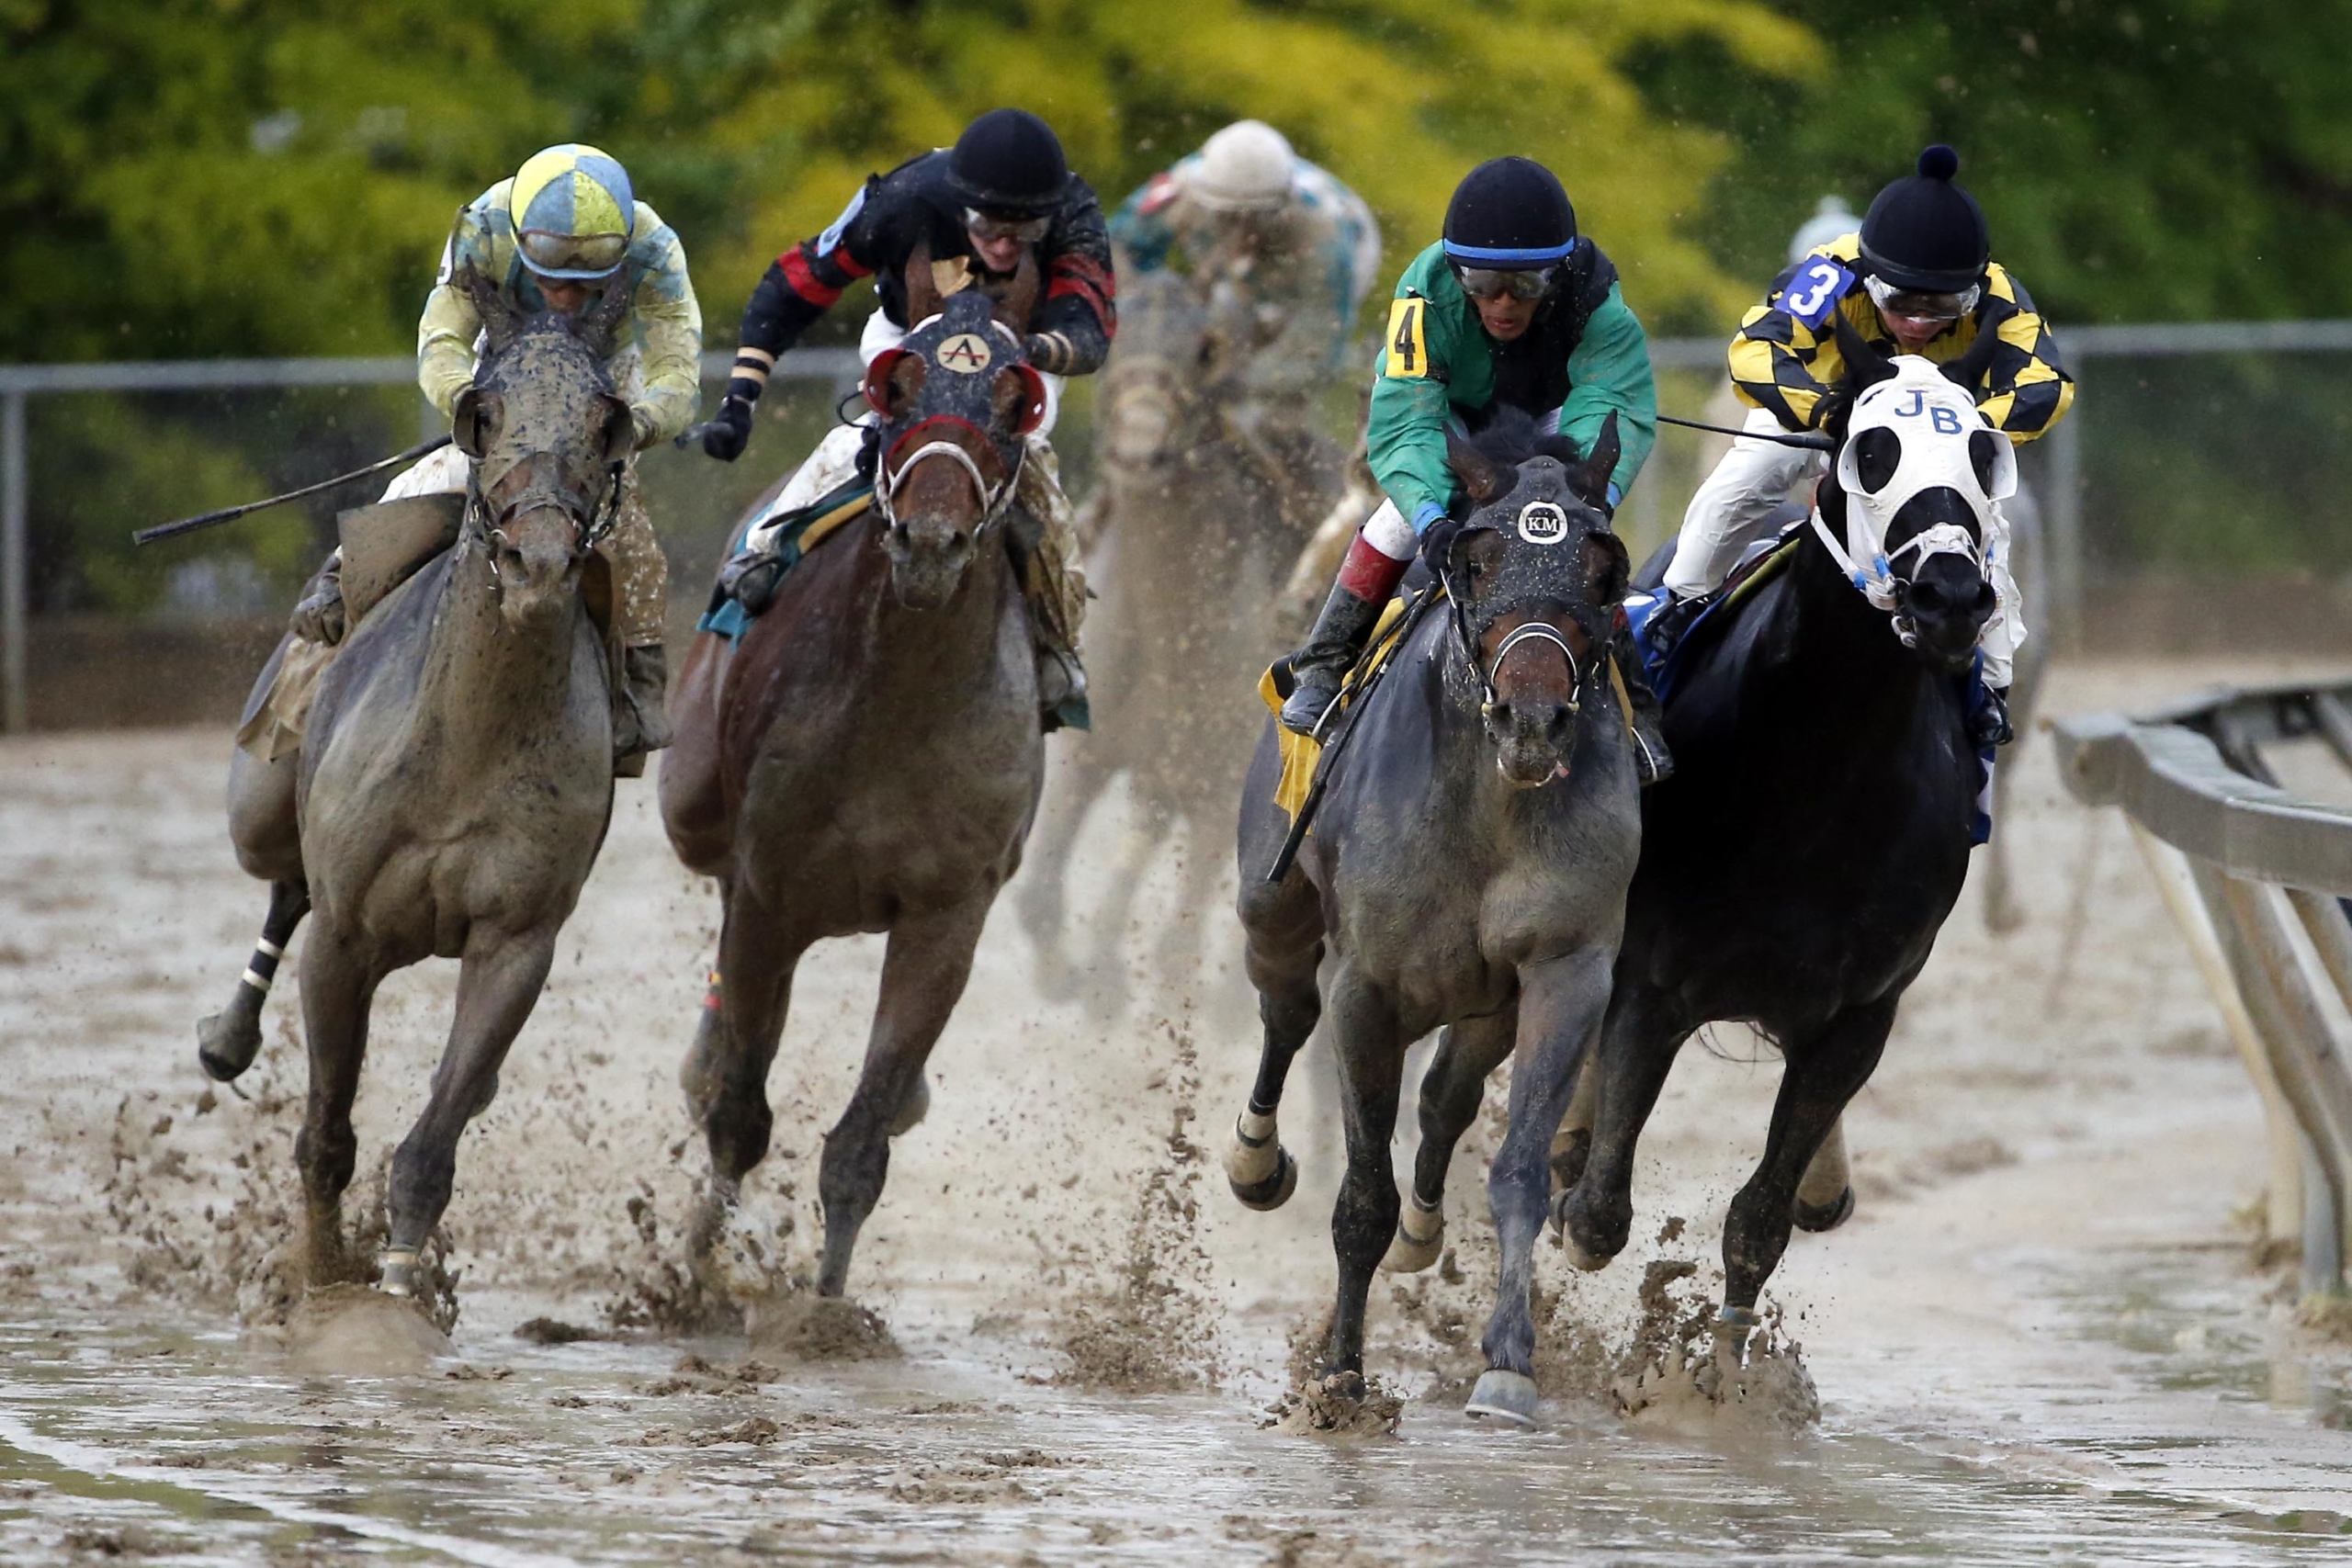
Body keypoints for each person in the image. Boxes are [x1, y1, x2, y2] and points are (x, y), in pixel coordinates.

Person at [285, 142, 701, 775]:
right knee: (449, 471)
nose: (565, 298)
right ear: (519, 245)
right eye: (552, 280)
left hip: (601, 373)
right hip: (500, 360)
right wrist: (467, 404)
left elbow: (677, 370)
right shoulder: (481, 225)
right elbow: (442, 337)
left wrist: (633, 425)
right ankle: (342, 579)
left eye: (586, 286)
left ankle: (639, 676)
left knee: (622, 508)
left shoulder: (654, 248)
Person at [701, 108, 1116, 727]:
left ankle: (1058, 637)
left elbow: (1089, 328)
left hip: (1016, 350)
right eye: (988, 226)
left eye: (1023, 229)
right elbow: (796, 283)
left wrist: (1024, 353)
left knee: (1036, 465)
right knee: (865, 437)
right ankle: (769, 545)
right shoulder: (904, 198)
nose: (1004, 245)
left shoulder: (1074, 210)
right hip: (909, 333)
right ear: (959, 204)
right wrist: (739, 397)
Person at [1656, 146, 2074, 745]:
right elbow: (1754, 350)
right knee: (1745, 477)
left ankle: (1990, 690)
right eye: (1901, 302)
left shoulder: (2001, 291)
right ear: (1869, 274)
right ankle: (1678, 608)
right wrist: (1823, 410)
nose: (1920, 323)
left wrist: (1971, 425)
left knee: (1986, 532)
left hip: (1939, 435)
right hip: (1829, 408)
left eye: (1944, 307)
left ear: (1974, 287)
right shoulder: (1830, 271)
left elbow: (2048, 382)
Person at [1276, 155, 1668, 782]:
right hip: (1449, 420)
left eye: (1527, 286)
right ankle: (1323, 664)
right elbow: (1408, 419)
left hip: (1550, 431)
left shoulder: (1599, 301)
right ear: (1456, 271)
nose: (1503, 304)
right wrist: (1432, 517)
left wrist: (1585, 497)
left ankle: (1637, 713)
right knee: (1395, 524)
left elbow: (1612, 413)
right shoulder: (1424, 291)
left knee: (1580, 543)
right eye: (1482, 284)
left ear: (1560, 272)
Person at [1106, 119, 1380, 521]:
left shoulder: (1324, 240)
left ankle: (1312, 516)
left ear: (1280, 207)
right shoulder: (1179, 191)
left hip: (1318, 277)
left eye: (1254, 219)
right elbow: (1115, 253)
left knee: (1269, 418)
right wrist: (1146, 322)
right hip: (1232, 281)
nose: (1240, 232)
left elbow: (1317, 352)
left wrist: (1239, 382)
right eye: (1227, 216)